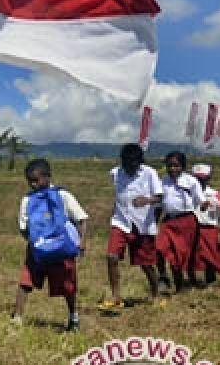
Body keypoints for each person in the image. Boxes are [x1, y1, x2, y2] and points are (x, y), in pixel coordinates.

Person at [10, 158, 89, 332]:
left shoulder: (63, 196)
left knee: (67, 285)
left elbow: (81, 219)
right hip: (37, 249)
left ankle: (73, 316)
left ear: (48, 177)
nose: (33, 184)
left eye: (36, 180)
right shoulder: (27, 200)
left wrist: (82, 242)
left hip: (61, 250)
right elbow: (23, 226)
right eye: (29, 181)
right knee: (26, 281)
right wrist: (33, 242)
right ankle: (17, 317)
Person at [99, 142, 164, 312]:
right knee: (111, 256)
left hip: (142, 225)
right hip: (120, 222)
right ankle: (116, 296)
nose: (130, 167)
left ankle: (156, 294)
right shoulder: (116, 173)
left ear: (139, 162)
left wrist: (146, 200)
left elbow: (160, 197)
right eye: (126, 164)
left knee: (146, 264)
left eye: (133, 164)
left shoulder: (149, 173)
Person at [154, 150, 207, 293]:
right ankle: (163, 277)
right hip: (168, 222)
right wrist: (154, 223)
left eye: (176, 165)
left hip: (186, 222)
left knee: (178, 256)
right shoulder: (162, 182)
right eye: (170, 165)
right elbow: (158, 205)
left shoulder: (190, 181)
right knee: (159, 248)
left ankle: (180, 285)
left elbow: (200, 200)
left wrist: (204, 205)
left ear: (182, 166)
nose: (173, 169)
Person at [189, 163, 220, 286]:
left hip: (210, 229)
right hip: (192, 229)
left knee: (210, 256)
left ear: (208, 178)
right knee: (191, 256)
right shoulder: (188, 194)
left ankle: (210, 280)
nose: (200, 181)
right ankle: (192, 281)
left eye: (203, 178)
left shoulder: (215, 195)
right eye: (197, 178)